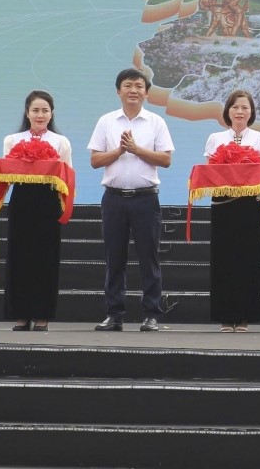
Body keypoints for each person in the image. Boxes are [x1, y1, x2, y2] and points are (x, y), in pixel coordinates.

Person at [87, 68, 175, 332]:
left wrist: (136, 150)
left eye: (139, 86)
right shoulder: (106, 121)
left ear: (146, 93)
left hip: (145, 199)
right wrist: (119, 151)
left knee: (149, 258)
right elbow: (95, 160)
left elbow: (166, 159)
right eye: (128, 85)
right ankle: (114, 314)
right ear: (118, 91)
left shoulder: (156, 122)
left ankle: (151, 314)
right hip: (113, 199)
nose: (133, 90)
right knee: (114, 258)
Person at [2, 90, 73, 332]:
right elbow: (6, 173)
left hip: (49, 202)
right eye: (35, 110)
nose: (40, 115)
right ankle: (20, 315)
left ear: (52, 113)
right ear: (27, 112)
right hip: (22, 200)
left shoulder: (61, 142)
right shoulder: (13, 139)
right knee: (19, 255)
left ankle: (43, 315)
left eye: (45, 110)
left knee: (46, 257)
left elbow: (67, 175)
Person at [203, 89, 260, 333]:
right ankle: (225, 316)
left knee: (248, 259)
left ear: (251, 112)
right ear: (227, 111)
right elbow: (210, 173)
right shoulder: (215, 138)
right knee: (223, 259)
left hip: (250, 205)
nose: (240, 112)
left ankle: (244, 317)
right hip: (223, 205)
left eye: (245, 107)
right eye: (235, 107)